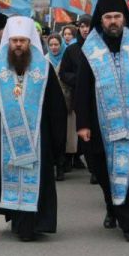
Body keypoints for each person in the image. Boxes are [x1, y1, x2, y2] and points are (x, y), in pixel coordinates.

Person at [74, 0, 129, 242]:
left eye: (117, 17)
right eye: (108, 17)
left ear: (124, 19)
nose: (113, 21)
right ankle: (112, 207)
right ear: (100, 21)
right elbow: (82, 90)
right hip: (101, 126)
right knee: (104, 172)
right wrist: (83, 124)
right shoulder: (89, 50)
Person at [0, 17, 66, 242]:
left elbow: (56, 107)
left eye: (22, 41)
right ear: (8, 41)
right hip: (4, 138)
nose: (18, 45)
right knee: (11, 179)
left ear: (30, 42)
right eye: (14, 40)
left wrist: (57, 141)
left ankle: (35, 223)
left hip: (38, 139)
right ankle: (19, 220)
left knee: (36, 180)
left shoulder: (44, 69)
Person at [44, 33, 75, 181]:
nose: (54, 47)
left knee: (63, 135)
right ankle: (54, 164)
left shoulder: (66, 58)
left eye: (56, 44)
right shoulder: (44, 60)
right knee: (52, 134)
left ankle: (62, 164)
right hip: (49, 103)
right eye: (51, 45)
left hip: (66, 100)